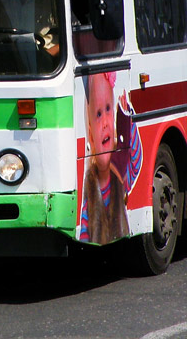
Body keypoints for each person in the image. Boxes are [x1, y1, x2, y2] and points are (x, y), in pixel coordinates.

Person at [78, 71, 141, 244]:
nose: (106, 121)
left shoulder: (121, 173)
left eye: (108, 110)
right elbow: (84, 233)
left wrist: (126, 119)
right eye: (98, 115)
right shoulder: (89, 192)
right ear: (90, 135)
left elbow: (136, 158)